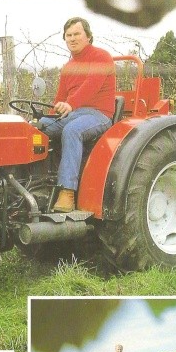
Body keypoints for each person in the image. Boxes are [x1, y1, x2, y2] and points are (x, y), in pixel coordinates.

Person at [39, 17, 116, 213]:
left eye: (77, 34)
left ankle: (67, 193)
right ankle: (39, 186)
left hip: (98, 114)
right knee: (38, 127)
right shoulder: (68, 67)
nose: (72, 38)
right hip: (73, 113)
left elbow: (91, 86)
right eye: (68, 35)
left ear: (88, 37)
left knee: (72, 131)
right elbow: (60, 98)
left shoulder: (102, 57)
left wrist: (71, 104)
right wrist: (49, 117)